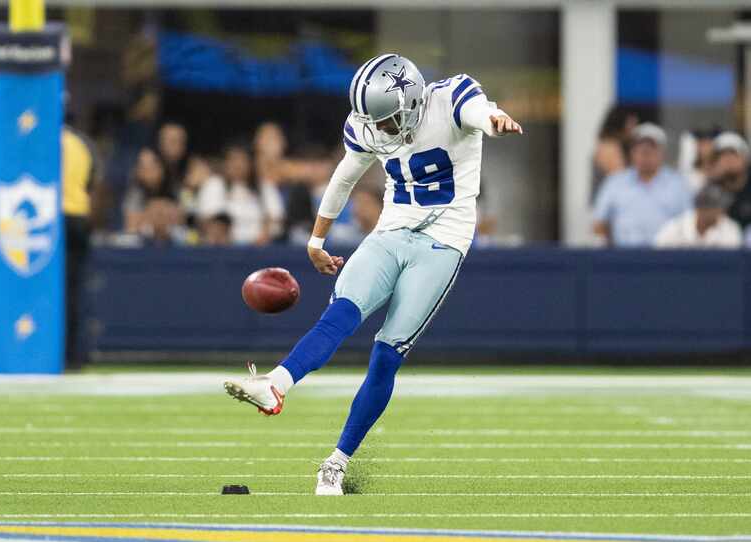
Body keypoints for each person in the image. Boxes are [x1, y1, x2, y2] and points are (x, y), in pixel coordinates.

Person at [222, 54, 522, 495]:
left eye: (386, 120)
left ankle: (337, 462)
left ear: (413, 100)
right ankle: (275, 384)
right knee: (341, 313)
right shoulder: (369, 123)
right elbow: (344, 178)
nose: (380, 129)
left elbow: (478, 111)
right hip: (392, 229)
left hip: (443, 242)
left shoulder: (451, 98)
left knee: (386, 354)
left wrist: (494, 118)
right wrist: (317, 239)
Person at [592, 123, 691, 247]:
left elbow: (689, 224)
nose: (645, 155)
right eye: (640, 149)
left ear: (662, 152)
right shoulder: (615, 183)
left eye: (651, 149)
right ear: (632, 153)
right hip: (623, 257)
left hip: (666, 257)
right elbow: (599, 223)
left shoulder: (678, 184)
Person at [61, 125, 98, 371]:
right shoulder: (81, 142)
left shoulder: (40, 136)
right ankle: (74, 354)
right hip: (79, 217)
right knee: (74, 289)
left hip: (55, 217)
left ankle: (58, 352)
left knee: (58, 290)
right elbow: (93, 181)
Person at [197, 143, 284, 245]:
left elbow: (277, 221)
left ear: (250, 163)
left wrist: (265, 234)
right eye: (233, 160)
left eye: (242, 160)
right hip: (224, 248)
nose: (238, 165)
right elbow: (207, 220)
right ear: (225, 163)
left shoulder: (265, 187)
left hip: (260, 248)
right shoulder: (214, 185)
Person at [654, 184, 741, 249]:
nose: (720, 212)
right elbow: (658, 254)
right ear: (701, 209)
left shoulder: (730, 228)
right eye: (716, 208)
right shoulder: (676, 227)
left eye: (721, 207)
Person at [708, 132, 751, 229]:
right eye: (722, 155)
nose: (728, 160)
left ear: (745, 158)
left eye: (733, 154)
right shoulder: (711, 187)